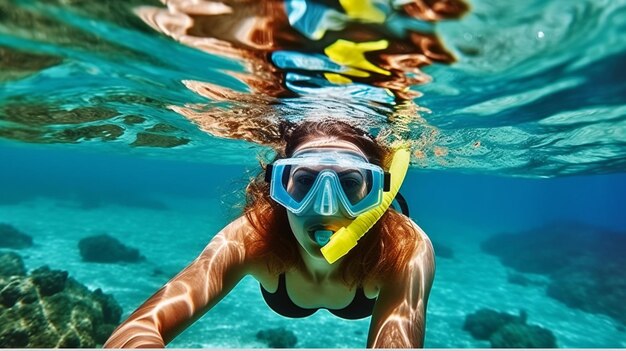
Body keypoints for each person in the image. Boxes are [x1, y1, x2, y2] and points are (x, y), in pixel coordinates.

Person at [103, 120, 435, 348]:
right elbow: (137, 330)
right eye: (304, 181)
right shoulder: (253, 236)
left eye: (349, 184)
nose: (325, 205)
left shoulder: (402, 249)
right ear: (277, 188)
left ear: (378, 195)